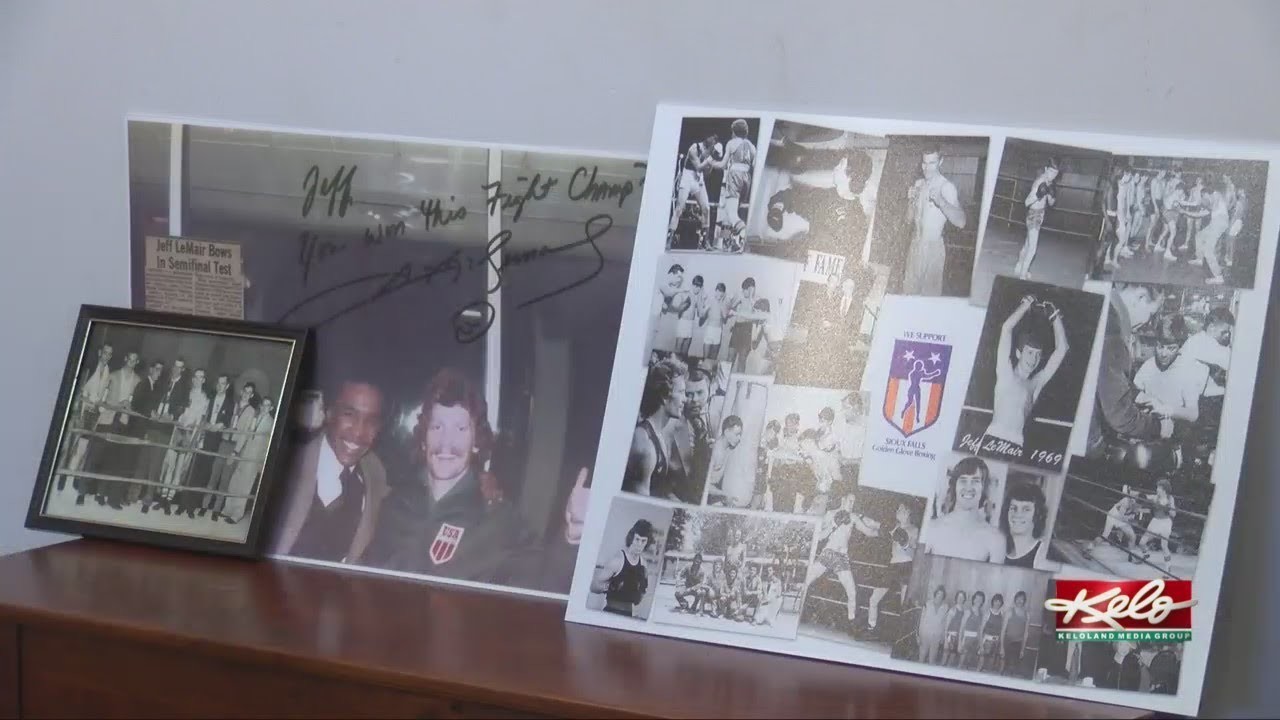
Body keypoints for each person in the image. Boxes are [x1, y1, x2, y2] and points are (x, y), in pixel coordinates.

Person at [1088, 283, 1176, 458]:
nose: (1147, 323)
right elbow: (1120, 416)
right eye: (1151, 314)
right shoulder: (1113, 333)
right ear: (1141, 297)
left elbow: (1104, 380)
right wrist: (1159, 427)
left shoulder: (1100, 304)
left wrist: (1138, 396)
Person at [985, 294, 1068, 454]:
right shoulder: (1005, 372)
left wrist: (1055, 316)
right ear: (1018, 353)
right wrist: (1026, 305)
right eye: (1030, 352)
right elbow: (1006, 328)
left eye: (1038, 355)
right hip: (993, 438)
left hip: (1017, 444)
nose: (1034, 358)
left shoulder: (1035, 384)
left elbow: (1062, 349)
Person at [903, 147, 967, 295]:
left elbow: (961, 222)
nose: (927, 168)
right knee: (908, 294)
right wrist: (910, 202)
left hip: (933, 249)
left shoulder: (946, 187)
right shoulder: (918, 184)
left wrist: (941, 201)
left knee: (927, 298)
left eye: (932, 163)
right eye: (924, 163)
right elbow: (908, 220)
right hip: (914, 246)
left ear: (940, 162)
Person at [922, 456, 1005, 563]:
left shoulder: (995, 538)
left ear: (983, 487)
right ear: (955, 486)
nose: (968, 487)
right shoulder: (932, 528)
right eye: (963, 480)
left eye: (975, 481)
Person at [624, 358, 687, 498]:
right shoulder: (645, 445)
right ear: (665, 396)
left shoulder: (658, 434)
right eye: (681, 392)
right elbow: (637, 502)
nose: (685, 399)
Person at [1133, 314, 1208, 424]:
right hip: (1147, 424)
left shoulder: (1187, 370)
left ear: (1180, 347)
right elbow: (1134, 391)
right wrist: (1143, 398)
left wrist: (1164, 409)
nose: (1163, 354)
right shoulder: (1149, 365)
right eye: (1160, 346)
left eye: (1171, 348)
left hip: (1174, 428)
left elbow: (1193, 414)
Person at [802, 496, 860, 626]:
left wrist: (881, 531)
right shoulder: (830, 514)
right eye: (850, 500)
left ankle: (852, 624)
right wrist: (833, 526)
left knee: (852, 591)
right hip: (828, 553)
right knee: (807, 581)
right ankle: (797, 609)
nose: (852, 503)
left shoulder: (853, 517)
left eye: (854, 501)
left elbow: (867, 529)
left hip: (842, 557)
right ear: (843, 500)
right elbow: (819, 536)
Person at [590, 519, 654, 617]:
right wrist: (610, 586)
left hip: (628, 614)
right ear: (631, 538)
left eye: (643, 541)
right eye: (637, 539)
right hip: (610, 613)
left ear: (647, 542)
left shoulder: (643, 564)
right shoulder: (617, 561)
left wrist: (640, 592)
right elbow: (593, 587)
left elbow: (639, 598)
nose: (639, 544)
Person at [668, 133, 720, 246]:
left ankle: (706, 241)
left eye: (715, 140)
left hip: (698, 180)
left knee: (706, 208)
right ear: (707, 137)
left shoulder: (710, 153)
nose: (713, 141)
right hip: (687, 178)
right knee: (679, 208)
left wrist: (712, 161)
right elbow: (698, 167)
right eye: (712, 138)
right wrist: (710, 159)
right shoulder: (694, 148)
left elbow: (706, 173)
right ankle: (669, 238)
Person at [1013, 157, 1059, 279]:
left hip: (1040, 214)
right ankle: (1023, 274)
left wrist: (1051, 194)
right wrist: (1038, 195)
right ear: (1046, 169)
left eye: (1055, 173)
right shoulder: (1039, 182)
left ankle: (1018, 267)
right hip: (1034, 215)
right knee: (1032, 248)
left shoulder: (1050, 183)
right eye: (1051, 171)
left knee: (1027, 244)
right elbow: (1027, 202)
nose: (1052, 175)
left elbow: (1051, 203)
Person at [717, 119, 756, 252]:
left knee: (729, 214)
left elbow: (723, 165)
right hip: (746, 179)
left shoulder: (731, 144)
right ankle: (733, 242)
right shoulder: (751, 146)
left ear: (734, 131)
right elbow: (755, 165)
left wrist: (711, 162)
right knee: (732, 214)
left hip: (732, 179)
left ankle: (739, 236)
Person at [1185, 176, 1230, 284]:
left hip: (1220, 222)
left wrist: (1202, 204)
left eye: (1203, 196)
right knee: (1199, 236)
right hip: (1215, 223)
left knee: (1208, 251)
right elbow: (1199, 214)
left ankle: (1218, 277)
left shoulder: (1216, 194)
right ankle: (1199, 259)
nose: (1203, 199)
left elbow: (1213, 204)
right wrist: (1185, 212)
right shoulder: (1211, 204)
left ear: (1206, 194)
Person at [1001, 480, 1048, 568]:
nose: (1018, 514)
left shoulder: (1042, 553)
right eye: (1013, 508)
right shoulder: (999, 548)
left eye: (1026, 509)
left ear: (1037, 514)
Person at [704, 415, 747, 507]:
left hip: (714, 495)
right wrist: (724, 494)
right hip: (702, 497)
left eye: (740, 435)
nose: (739, 438)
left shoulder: (728, 448)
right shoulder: (715, 452)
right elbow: (703, 484)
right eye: (737, 434)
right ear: (726, 432)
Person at [1137, 478, 1178, 570]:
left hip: (1165, 523)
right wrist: (1133, 493)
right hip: (1155, 522)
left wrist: (1167, 508)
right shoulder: (1155, 497)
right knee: (1142, 543)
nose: (1157, 489)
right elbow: (1144, 496)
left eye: (1158, 488)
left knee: (1164, 546)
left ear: (1164, 489)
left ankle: (1168, 568)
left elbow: (1174, 514)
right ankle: (1146, 554)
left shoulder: (1170, 499)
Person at [1085, 492, 1140, 560]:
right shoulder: (1125, 501)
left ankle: (1131, 556)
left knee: (1132, 536)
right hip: (1113, 516)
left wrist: (1133, 517)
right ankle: (1089, 549)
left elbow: (1130, 516)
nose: (1135, 501)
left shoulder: (1137, 505)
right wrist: (1131, 520)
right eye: (1134, 498)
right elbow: (1121, 516)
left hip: (1122, 520)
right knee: (1105, 536)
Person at [888, 502, 919, 604]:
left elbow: (913, 550)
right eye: (898, 509)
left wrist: (905, 543)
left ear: (907, 513)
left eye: (901, 510)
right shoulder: (894, 527)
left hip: (905, 563)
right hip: (893, 563)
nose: (898, 511)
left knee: (903, 597)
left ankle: (902, 609)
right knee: (887, 594)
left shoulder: (913, 529)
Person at [750, 419, 780, 510]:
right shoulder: (757, 439)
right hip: (752, 473)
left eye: (774, 434)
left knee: (759, 500)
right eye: (771, 432)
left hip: (762, 476)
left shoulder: (773, 443)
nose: (772, 435)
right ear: (767, 429)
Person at [918, 585, 950, 664]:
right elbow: (921, 621)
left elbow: (945, 624)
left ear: (943, 597)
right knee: (921, 658)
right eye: (938, 594)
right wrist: (919, 635)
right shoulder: (927, 604)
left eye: (942, 595)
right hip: (925, 635)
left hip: (936, 637)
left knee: (932, 660)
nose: (939, 596)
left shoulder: (945, 608)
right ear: (935, 594)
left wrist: (943, 637)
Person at [1002, 591, 1031, 676]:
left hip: (1018, 643)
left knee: (1014, 668)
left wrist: (1022, 649)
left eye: (1022, 599)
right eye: (1018, 599)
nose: (1019, 601)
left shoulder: (1027, 614)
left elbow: (1026, 633)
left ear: (1024, 601)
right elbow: (1003, 630)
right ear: (1015, 599)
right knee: (1006, 666)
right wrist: (1001, 647)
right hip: (1008, 642)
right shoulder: (1009, 612)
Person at [978, 593, 1006, 673]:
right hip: (986, 641)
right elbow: (981, 630)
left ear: (1001, 603)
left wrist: (1000, 645)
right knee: (981, 664)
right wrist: (981, 646)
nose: (997, 603)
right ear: (993, 601)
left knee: (990, 665)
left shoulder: (1002, 614)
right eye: (996, 601)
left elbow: (1002, 630)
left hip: (996, 642)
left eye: (999, 601)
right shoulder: (987, 613)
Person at [700, 282, 727, 360]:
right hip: (710, 329)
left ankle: (711, 367)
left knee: (713, 357)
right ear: (716, 291)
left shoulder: (723, 304)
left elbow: (725, 317)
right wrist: (703, 303)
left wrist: (723, 305)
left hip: (718, 331)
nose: (720, 294)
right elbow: (702, 314)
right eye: (718, 291)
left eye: (722, 292)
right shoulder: (710, 301)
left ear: (723, 293)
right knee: (706, 357)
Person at [943, 589, 969, 668]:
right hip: (950, 637)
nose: (960, 599)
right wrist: (946, 641)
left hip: (958, 638)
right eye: (959, 597)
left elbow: (963, 627)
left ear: (964, 599)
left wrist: (961, 640)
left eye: (962, 597)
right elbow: (946, 627)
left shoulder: (964, 611)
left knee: (952, 659)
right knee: (944, 659)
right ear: (956, 598)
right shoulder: (952, 610)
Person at [961, 591, 987, 670]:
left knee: (969, 664)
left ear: (982, 601)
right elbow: (961, 627)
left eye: (981, 599)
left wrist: (981, 644)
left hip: (975, 641)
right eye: (977, 598)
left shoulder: (981, 614)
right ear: (973, 599)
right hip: (966, 640)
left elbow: (980, 630)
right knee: (961, 663)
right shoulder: (968, 611)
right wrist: (960, 642)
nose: (978, 600)